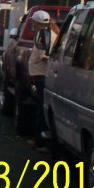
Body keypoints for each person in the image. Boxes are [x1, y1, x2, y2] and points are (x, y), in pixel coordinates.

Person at [27, 9, 54, 152]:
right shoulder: (42, 34)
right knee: (40, 109)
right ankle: (39, 139)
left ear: (37, 23)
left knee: (42, 110)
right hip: (39, 76)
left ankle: (42, 142)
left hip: (42, 77)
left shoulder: (44, 35)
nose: (31, 23)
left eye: (33, 21)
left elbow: (45, 55)